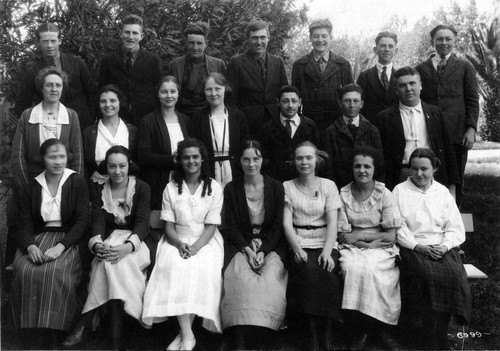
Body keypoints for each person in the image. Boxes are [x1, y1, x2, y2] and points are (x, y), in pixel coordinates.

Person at [62, 146, 151, 350]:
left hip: (137, 241)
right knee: (106, 262)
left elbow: (143, 223)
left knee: (113, 265)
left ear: (129, 166)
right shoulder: (100, 187)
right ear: (106, 168)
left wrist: (128, 248)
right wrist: (97, 244)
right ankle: (115, 339)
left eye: (122, 166)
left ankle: (86, 322)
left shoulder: (142, 187)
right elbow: (98, 220)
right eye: (112, 166)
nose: (117, 171)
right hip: (111, 237)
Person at [142, 138, 224, 351]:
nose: (191, 161)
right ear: (179, 160)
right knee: (175, 267)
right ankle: (188, 335)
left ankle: (185, 335)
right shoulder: (171, 187)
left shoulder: (214, 187)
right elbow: (168, 227)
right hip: (175, 239)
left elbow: (211, 226)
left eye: (195, 157)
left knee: (200, 268)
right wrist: (179, 245)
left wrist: (196, 248)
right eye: (186, 157)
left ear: (202, 158)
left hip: (205, 241)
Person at [10, 139, 89, 347]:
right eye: (52, 157)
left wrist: (61, 246)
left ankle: (55, 331)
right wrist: (30, 246)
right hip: (38, 237)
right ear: (43, 159)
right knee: (25, 270)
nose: (57, 161)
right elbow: (23, 222)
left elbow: (82, 221)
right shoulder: (33, 185)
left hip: (68, 239)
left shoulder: (76, 181)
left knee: (55, 272)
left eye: (62, 156)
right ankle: (29, 331)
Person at [393, 148, 471, 350]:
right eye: (415, 169)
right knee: (425, 274)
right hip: (413, 247)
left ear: (434, 168)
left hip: (441, 246)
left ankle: (441, 331)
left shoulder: (442, 192)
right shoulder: (400, 191)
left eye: (424, 169)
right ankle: (427, 332)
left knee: (454, 274)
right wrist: (418, 247)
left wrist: (445, 246)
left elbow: (454, 226)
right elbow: (398, 227)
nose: (419, 174)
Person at [8, 67, 84, 266]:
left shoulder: (71, 116)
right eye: (49, 85)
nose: (53, 89)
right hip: (32, 182)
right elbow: (17, 156)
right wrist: (27, 189)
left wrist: (74, 187)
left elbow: (77, 155)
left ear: (62, 89)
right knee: (22, 223)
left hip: (63, 182)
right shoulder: (28, 116)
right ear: (41, 88)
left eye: (58, 85)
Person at [221, 140, 287, 350]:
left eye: (256, 159)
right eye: (246, 159)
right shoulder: (231, 188)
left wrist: (264, 250)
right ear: (239, 161)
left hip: (271, 243)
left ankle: (264, 334)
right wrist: (248, 250)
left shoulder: (276, 187)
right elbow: (231, 226)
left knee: (270, 280)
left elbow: (277, 226)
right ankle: (239, 336)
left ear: (262, 160)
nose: (251, 164)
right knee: (239, 278)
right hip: (241, 243)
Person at [337, 146, 402, 350]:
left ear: (375, 168)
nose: (362, 170)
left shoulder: (384, 194)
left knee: (373, 268)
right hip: (351, 246)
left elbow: (390, 236)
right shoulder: (344, 193)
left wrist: (363, 236)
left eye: (367, 166)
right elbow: (342, 234)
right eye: (357, 166)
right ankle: (359, 329)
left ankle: (376, 328)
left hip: (382, 247)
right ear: (352, 168)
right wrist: (357, 240)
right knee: (350, 267)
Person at [283, 141, 343, 351]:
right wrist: (297, 249)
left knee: (327, 270)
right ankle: (311, 335)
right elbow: (285, 223)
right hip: (299, 241)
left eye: (308, 157)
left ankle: (326, 333)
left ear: (317, 160)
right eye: (299, 158)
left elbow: (333, 222)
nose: (304, 162)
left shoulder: (328, 185)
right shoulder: (287, 186)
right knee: (307, 270)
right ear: (294, 161)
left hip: (325, 240)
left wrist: (327, 251)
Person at [416, 24, 480, 206]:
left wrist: (471, 128)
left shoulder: (464, 67)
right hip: (430, 132)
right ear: (432, 41)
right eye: (440, 39)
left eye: (448, 39)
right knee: (430, 175)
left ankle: (454, 219)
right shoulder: (421, 69)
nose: (444, 43)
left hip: (457, 133)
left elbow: (472, 100)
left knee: (456, 176)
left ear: (454, 41)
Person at [372, 66, 459, 191]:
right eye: (402, 85)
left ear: (420, 85)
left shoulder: (435, 113)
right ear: (396, 90)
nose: (408, 89)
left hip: (432, 175)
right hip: (400, 176)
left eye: (412, 83)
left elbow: (448, 149)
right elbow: (379, 157)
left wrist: (452, 186)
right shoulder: (384, 117)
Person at [14, 22, 98, 131]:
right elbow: (22, 105)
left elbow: (92, 92)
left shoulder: (76, 63)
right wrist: (36, 126)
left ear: (60, 41)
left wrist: (90, 118)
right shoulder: (33, 71)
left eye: (53, 41)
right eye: (45, 41)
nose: (49, 46)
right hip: (48, 128)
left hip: (80, 124)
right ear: (38, 43)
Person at [292, 18, 353, 146]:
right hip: (310, 123)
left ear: (331, 37)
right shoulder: (300, 65)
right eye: (316, 36)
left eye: (324, 36)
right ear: (310, 38)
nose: (320, 40)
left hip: (336, 123)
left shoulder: (343, 64)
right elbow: (294, 97)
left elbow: (350, 96)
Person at [226, 19, 288, 136]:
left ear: (268, 38)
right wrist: (237, 122)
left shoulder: (278, 62)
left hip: (274, 124)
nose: (259, 42)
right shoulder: (236, 62)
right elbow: (231, 99)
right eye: (254, 38)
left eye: (262, 37)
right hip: (248, 124)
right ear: (248, 40)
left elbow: (284, 93)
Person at [137, 76, 189, 211]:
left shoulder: (186, 120)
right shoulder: (148, 121)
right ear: (158, 94)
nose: (169, 96)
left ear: (178, 93)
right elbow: (143, 156)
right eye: (164, 92)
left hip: (185, 178)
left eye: (173, 91)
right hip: (158, 181)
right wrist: (174, 160)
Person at [99, 14, 162, 126]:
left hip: (146, 118)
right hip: (117, 118)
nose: (131, 37)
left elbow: (158, 89)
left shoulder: (153, 60)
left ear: (141, 36)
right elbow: (102, 88)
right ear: (121, 34)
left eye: (135, 33)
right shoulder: (108, 60)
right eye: (127, 32)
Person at [190, 73, 248, 187]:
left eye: (218, 89)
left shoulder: (238, 116)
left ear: (225, 89)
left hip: (235, 170)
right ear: (204, 92)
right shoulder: (197, 118)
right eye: (209, 89)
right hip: (207, 170)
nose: (213, 93)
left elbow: (244, 145)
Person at [325, 83, 383, 189]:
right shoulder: (331, 132)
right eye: (347, 101)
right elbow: (329, 169)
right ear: (340, 103)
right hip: (340, 188)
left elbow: (379, 165)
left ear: (361, 104)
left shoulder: (372, 130)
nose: (352, 105)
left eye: (356, 101)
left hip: (367, 188)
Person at [260, 85, 319, 182]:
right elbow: (265, 159)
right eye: (285, 101)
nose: (290, 105)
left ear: (300, 102)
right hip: (276, 179)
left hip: (303, 179)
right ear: (278, 102)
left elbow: (317, 155)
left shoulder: (310, 126)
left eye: (294, 101)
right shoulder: (267, 128)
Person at [168, 21, 227, 117]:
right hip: (182, 114)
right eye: (191, 43)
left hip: (209, 114)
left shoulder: (218, 64)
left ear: (206, 44)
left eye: (199, 43)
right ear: (186, 43)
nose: (195, 47)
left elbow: (224, 93)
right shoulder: (174, 65)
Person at [82, 84, 137, 184]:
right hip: (97, 187)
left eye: (113, 100)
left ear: (120, 103)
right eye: (103, 101)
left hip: (128, 186)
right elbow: (86, 166)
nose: (108, 105)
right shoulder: (89, 133)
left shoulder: (132, 131)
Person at [356, 31, 399, 122]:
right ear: (375, 49)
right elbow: (359, 105)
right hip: (371, 126)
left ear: (396, 50)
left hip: (394, 126)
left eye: (390, 46)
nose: (386, 49)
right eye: (383, 46)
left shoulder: (400, 76)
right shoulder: (364, 76)